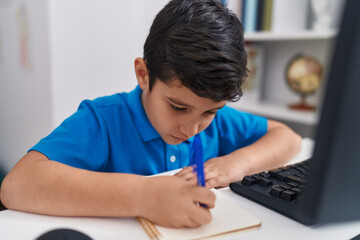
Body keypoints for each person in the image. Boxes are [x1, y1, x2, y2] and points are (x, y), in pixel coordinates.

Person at [0, 0, 301, 228]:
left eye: (209, 111)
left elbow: (287, 138)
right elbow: (17, 185)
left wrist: (235, 164)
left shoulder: (216, 122)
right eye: (177, 107)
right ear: (144, 75)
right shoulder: (104, 119)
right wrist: (143, 196)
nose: (192, 128)